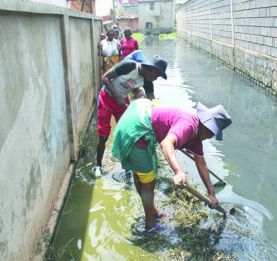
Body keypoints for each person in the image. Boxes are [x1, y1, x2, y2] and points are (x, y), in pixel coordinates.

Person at [111, 99, 232, 232]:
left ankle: (153, 212)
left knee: (142, 174)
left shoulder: (197, 136)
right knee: (148, 181)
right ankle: (150, 225)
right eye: (211, 133)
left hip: (138, 116)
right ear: (206, 124)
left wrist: (212, 193)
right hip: (136, 129)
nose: (210, 137)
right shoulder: (189, 125)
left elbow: (201, 162)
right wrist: (179, 171)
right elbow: (166, 143)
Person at [93, 55, 168, 177]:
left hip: (122, 103)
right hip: (106, 99)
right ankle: (98, 165)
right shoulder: (128, 65)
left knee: (129, 134)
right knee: (103, 136)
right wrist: (117, 95)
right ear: (152, 69)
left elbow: (152, 102)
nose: (155, 79)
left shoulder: (147, 82)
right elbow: (105, 78)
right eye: (156, 76)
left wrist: (162, 120)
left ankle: (128, 166)